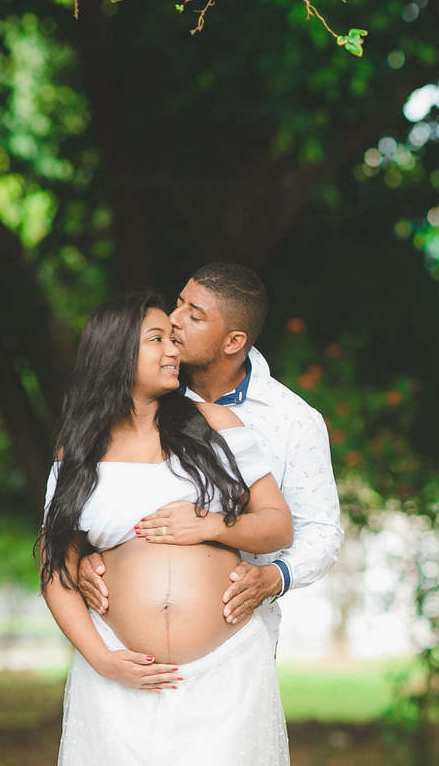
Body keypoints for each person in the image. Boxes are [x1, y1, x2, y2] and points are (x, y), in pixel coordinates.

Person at [40, 292, 293, 765]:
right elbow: (56, 570)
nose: (174, 350)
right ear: (115, 351)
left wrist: (210, 524)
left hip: (227, 672)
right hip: (120, 676)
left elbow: (278, 526)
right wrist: (102, 659)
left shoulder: (216, 425)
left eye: (174, 340)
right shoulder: (78, 453)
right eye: (157, 339)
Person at [75, 263, 343, 641]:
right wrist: (83, 559)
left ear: (233, 342)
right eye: (179, 303)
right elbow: (94, 501)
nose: (174, 319)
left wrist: (274, 577)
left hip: (237, 637)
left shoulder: (292, 420)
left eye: (195, 316)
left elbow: (320, 531)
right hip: (118, 641)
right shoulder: (144, 395)